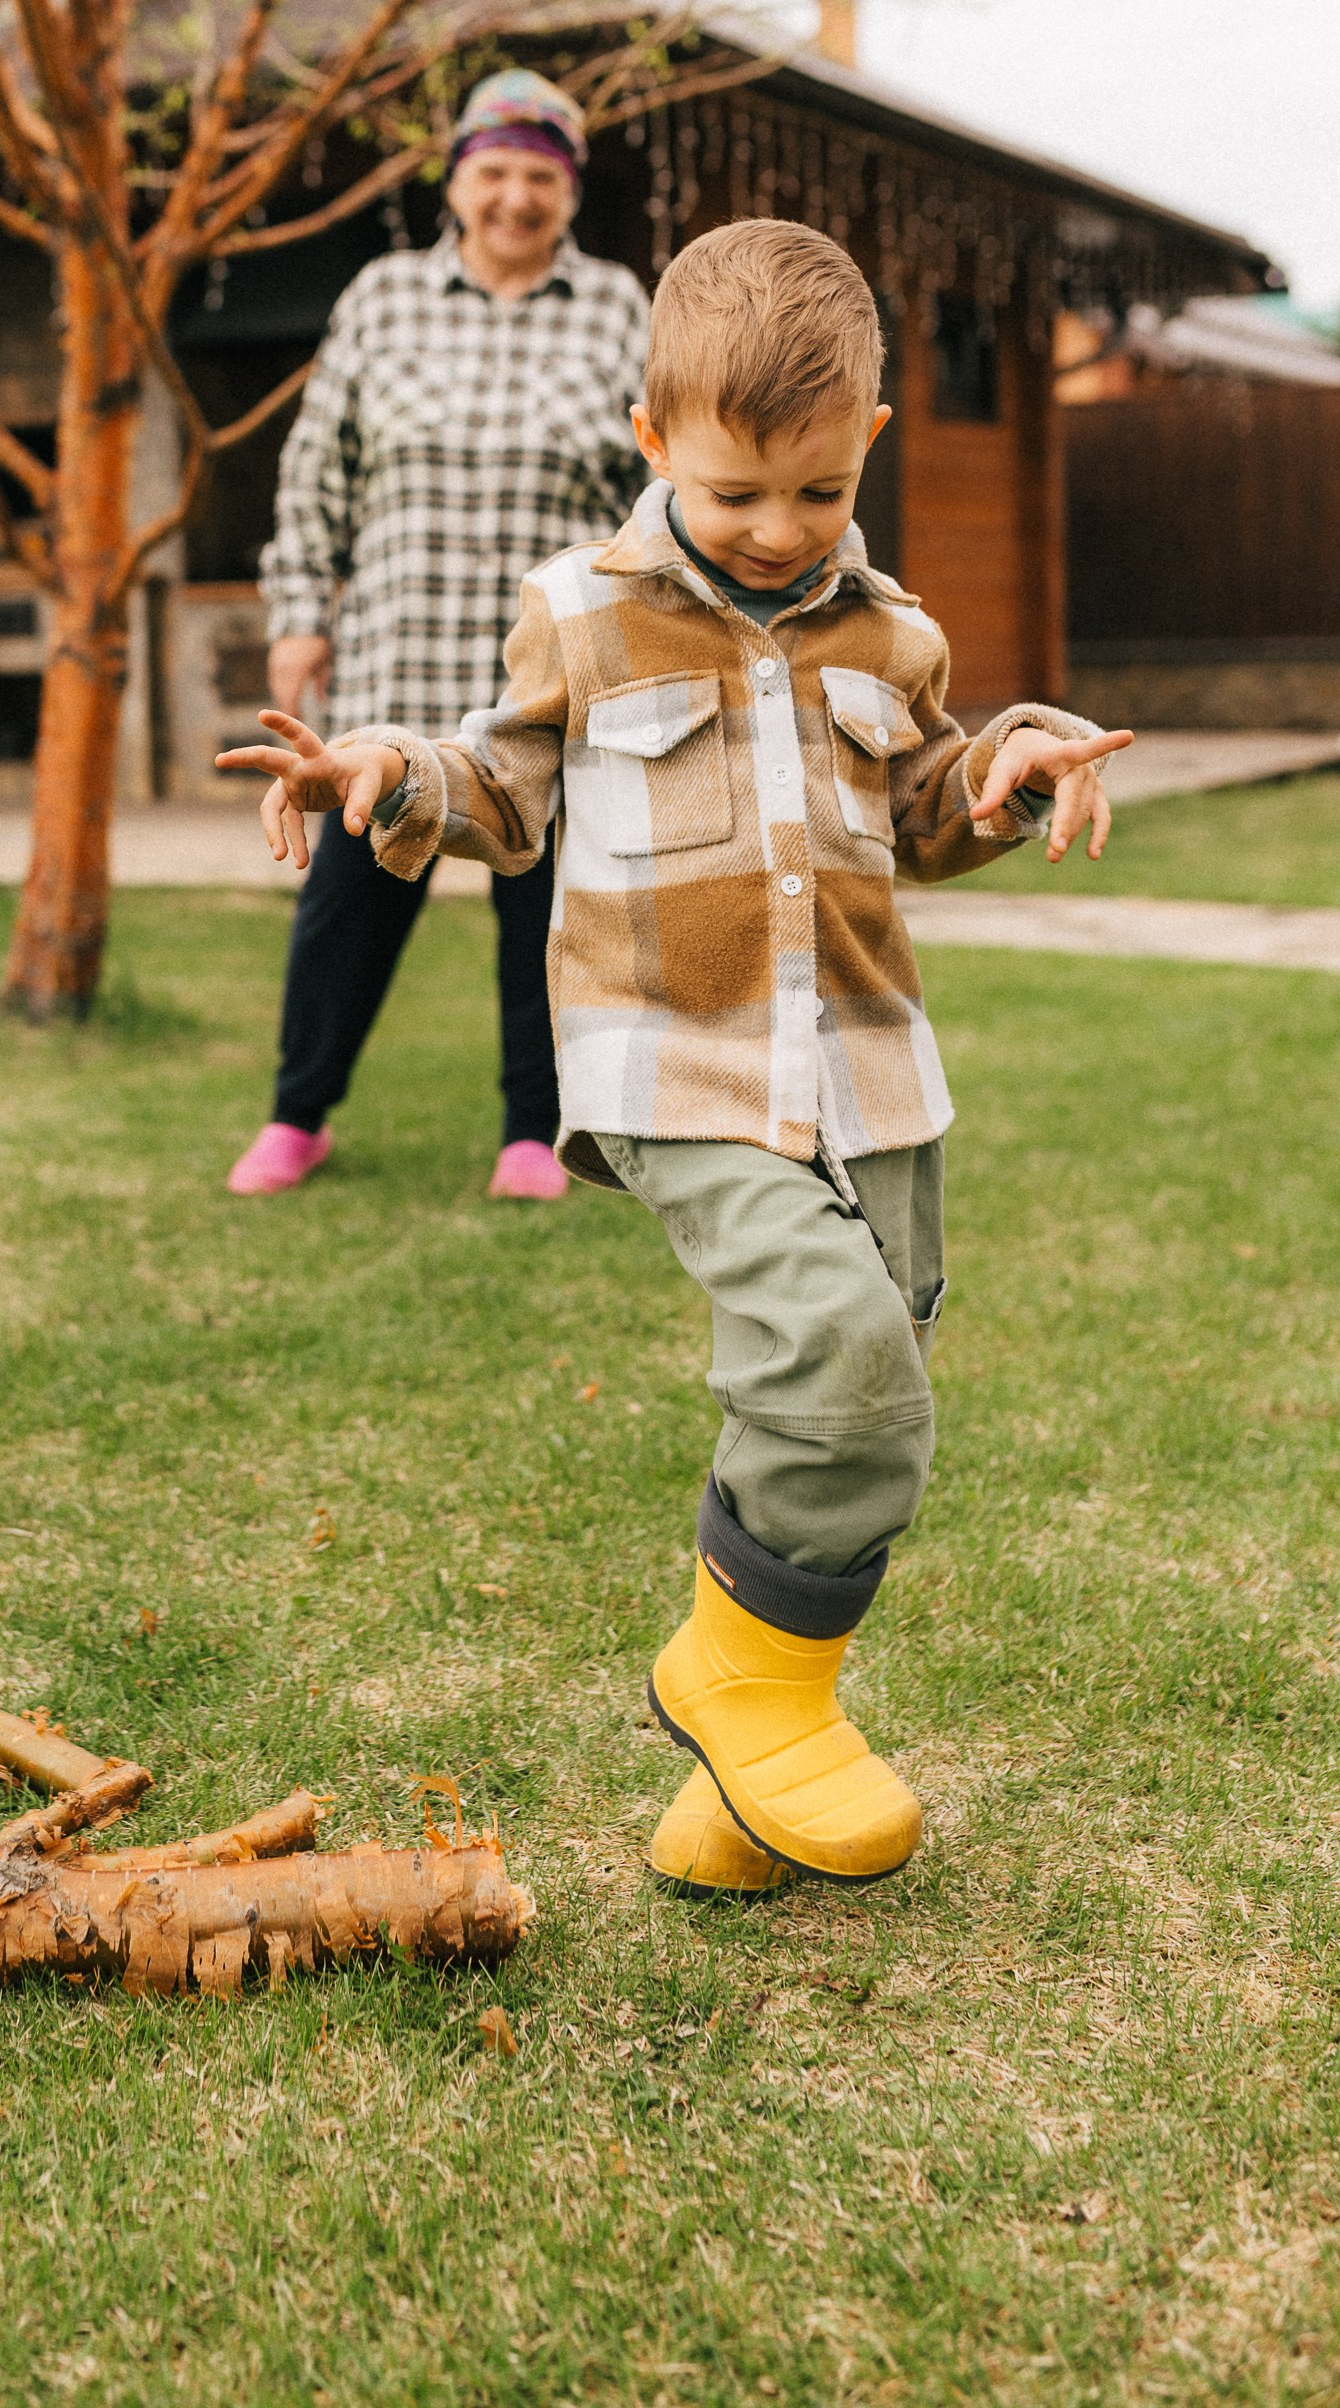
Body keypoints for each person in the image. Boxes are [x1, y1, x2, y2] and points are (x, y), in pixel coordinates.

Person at [222, 218, 1131, 1893]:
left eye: (813, 493)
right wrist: (384, 772)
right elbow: (498, 786)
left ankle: (737, 1798)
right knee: (842, 1372)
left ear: (867, 438)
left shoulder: (893, 633)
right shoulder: (581, 615)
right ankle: (741, 1684)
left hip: (870, 1070)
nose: (777, 533)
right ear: (654, 444)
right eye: (733, 496)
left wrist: (1001, 766)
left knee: (874, 1391)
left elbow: (922, 810)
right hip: (679, 1068)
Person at [228, 66, 650, 1201]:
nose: (515, 198)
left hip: (553, 683)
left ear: (567, 194)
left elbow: (662, 481)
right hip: (396, 670)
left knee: (544, 917)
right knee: (347, 914)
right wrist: (296, 620)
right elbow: (319, 470)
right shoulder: (381, 298)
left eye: (539, 179)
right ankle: (296, 1114)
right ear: (458, 182)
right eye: (495, 173)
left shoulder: (618, 307)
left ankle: (534, 1128)